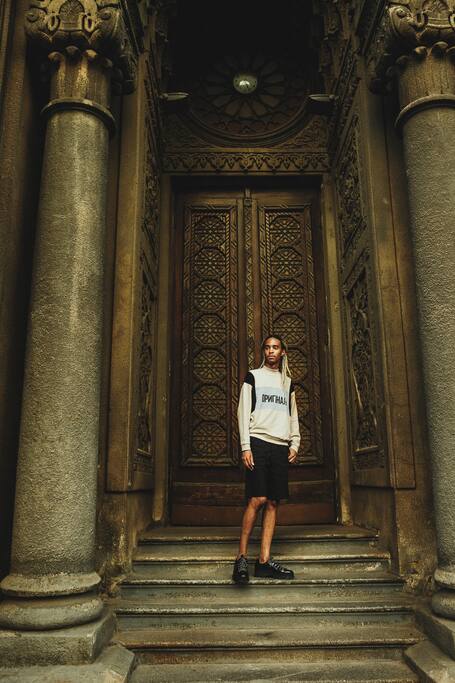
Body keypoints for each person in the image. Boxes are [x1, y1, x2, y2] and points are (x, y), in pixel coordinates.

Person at [232, 335, 300, 584]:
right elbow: (242, 412)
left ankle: (263, 562)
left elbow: (292, 415)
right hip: (258, 442)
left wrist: (295, 442)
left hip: (280, 446)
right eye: (268, 348)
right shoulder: (253, 377)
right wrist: (245, 447)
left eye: (276, 347)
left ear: (283, 352)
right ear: (264, 352)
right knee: (257, 499)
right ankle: (241, 559)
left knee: (272, 502)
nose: (271, 351)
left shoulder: (287, 383)